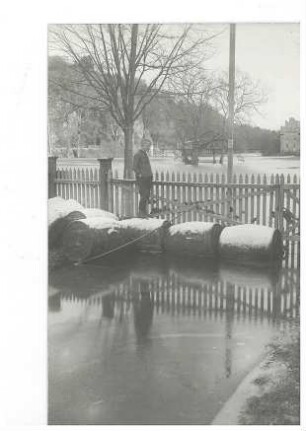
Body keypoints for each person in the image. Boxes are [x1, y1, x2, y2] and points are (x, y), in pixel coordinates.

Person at [133, 138, 153, 217]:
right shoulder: (137, 154)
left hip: (148, 177)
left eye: (149, 146)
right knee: (144, 195)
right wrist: (140, 174)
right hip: (142, 178)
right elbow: (134, 167)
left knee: (147, 195)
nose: (149, 148)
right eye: (148, 146)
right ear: (143, 145)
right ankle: (141, 212)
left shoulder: (145, 154)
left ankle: (144, 212)